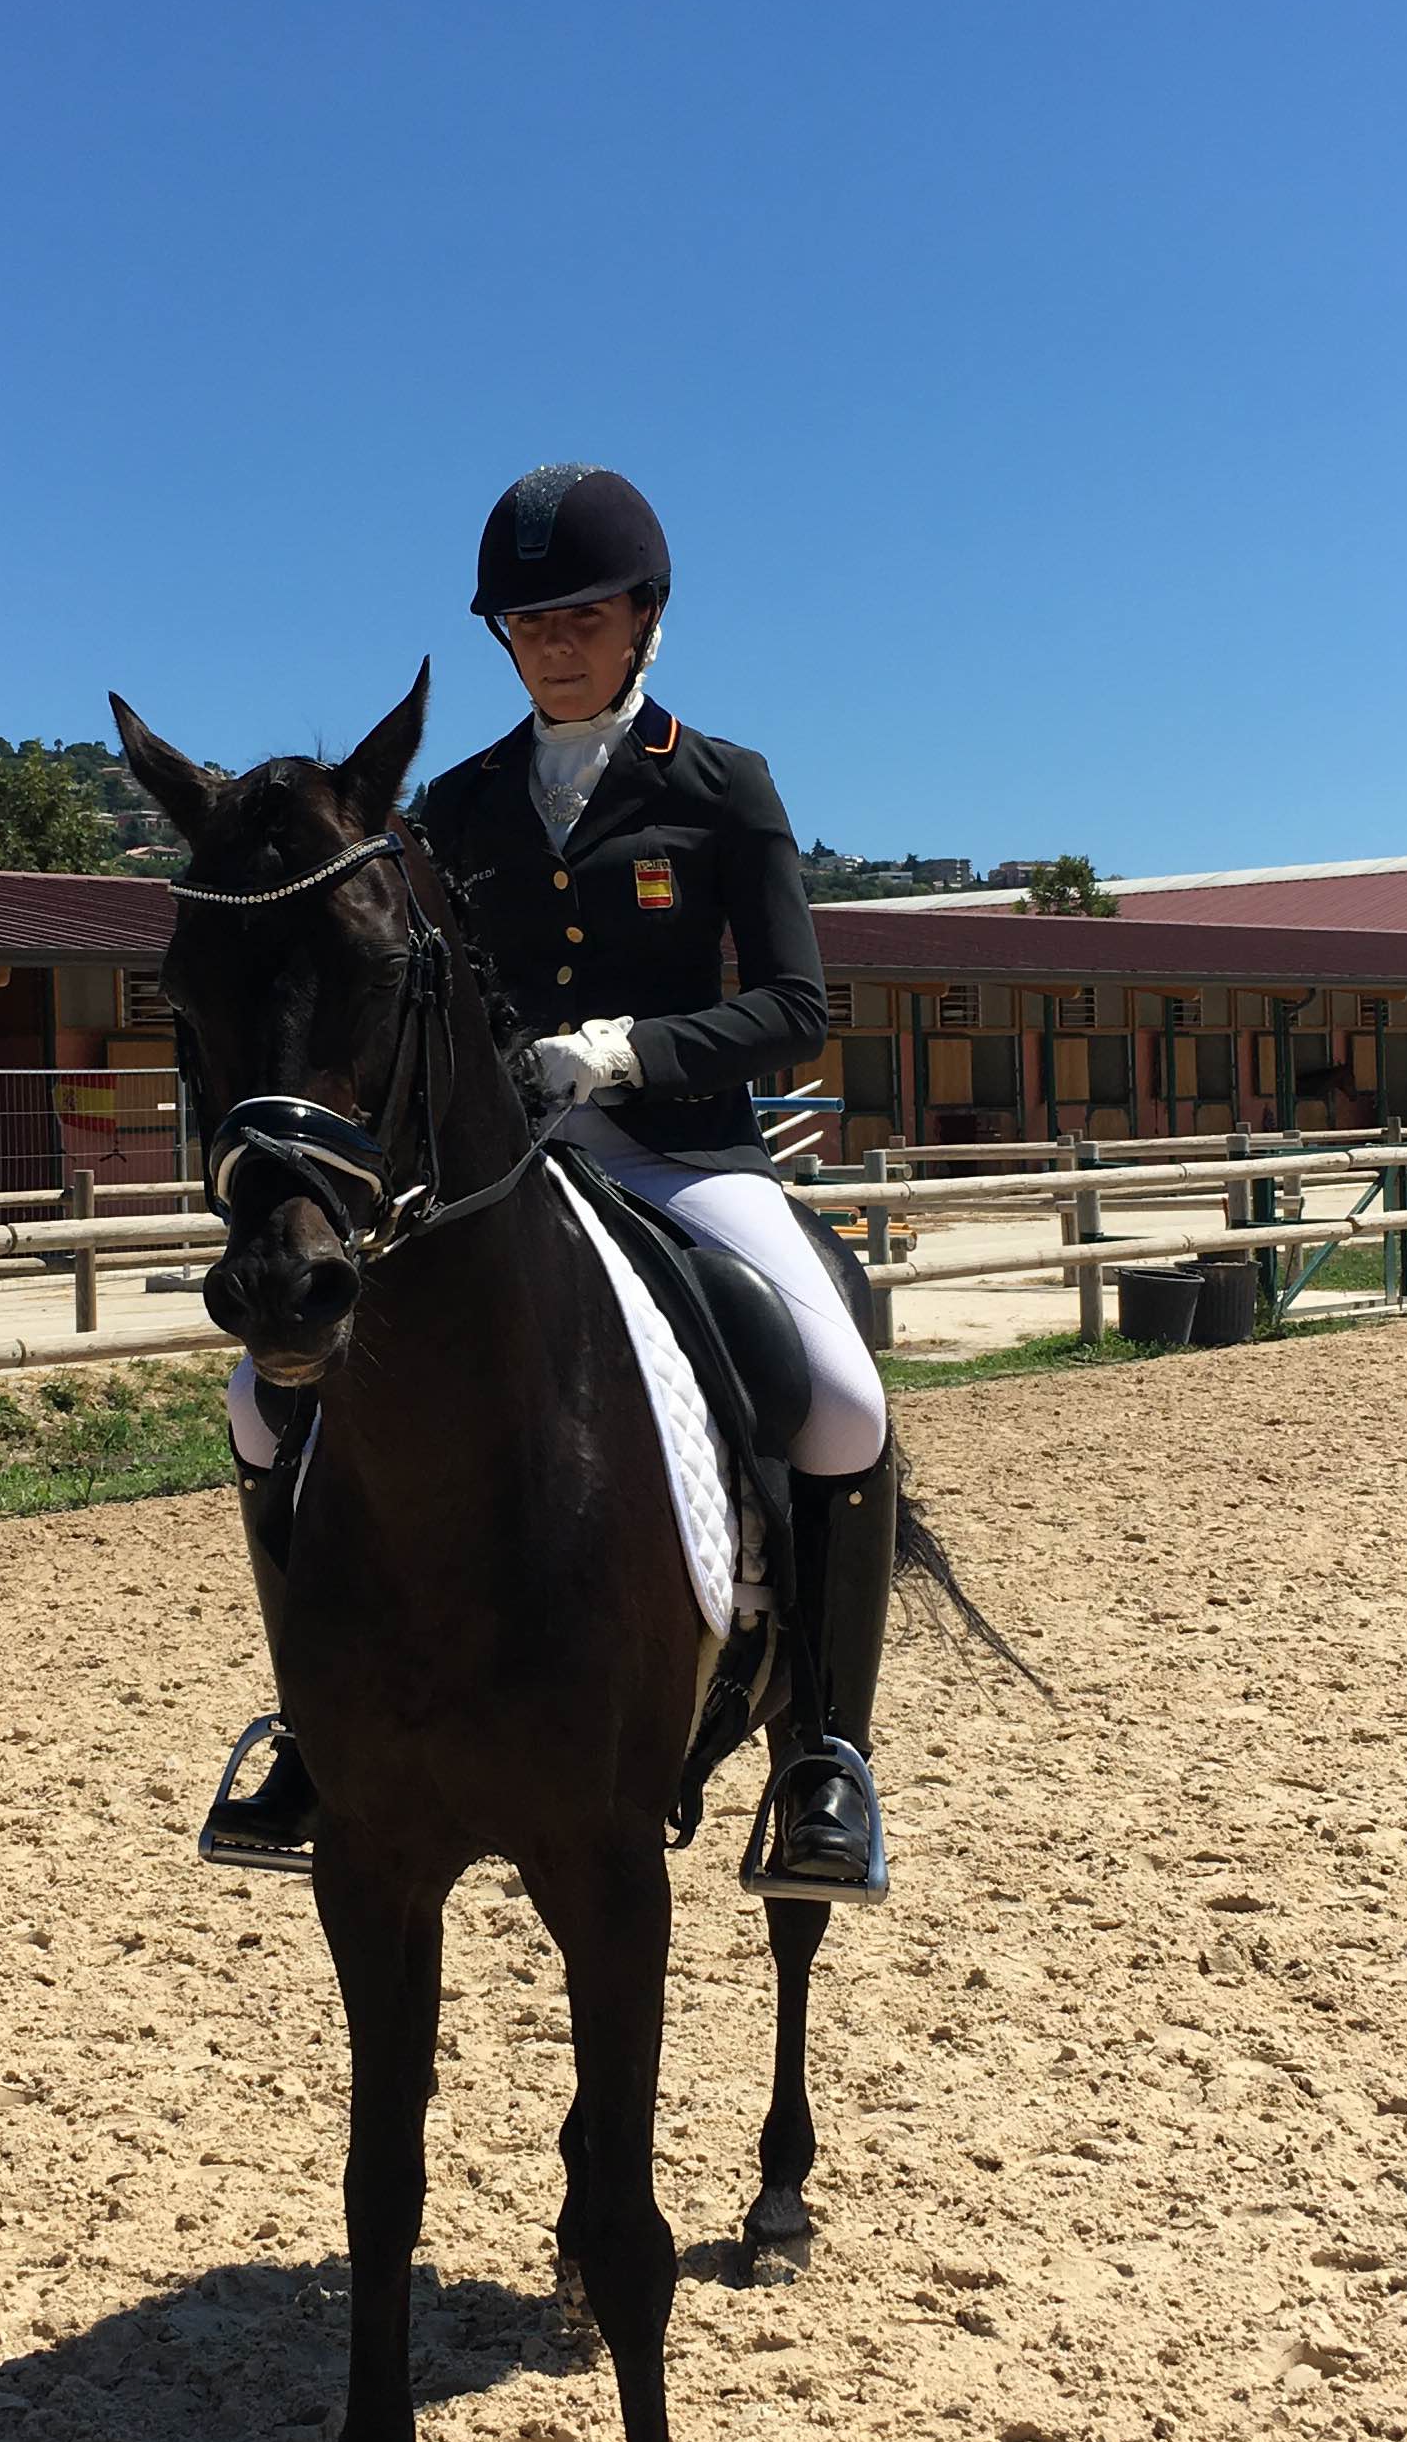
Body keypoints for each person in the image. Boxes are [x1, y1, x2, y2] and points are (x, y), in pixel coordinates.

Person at [210, 461, 894, 1892]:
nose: (556, 644)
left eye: (583, 616)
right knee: (262, 1405)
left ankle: (827, 1746)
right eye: (528, 626)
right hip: (494, 1165)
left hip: (682, 1150)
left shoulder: (721, 788)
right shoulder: (449, 808)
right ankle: (313, 1727)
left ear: (645, 619)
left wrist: (630, 1053)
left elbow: (794, 1006)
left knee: (837, 1394)